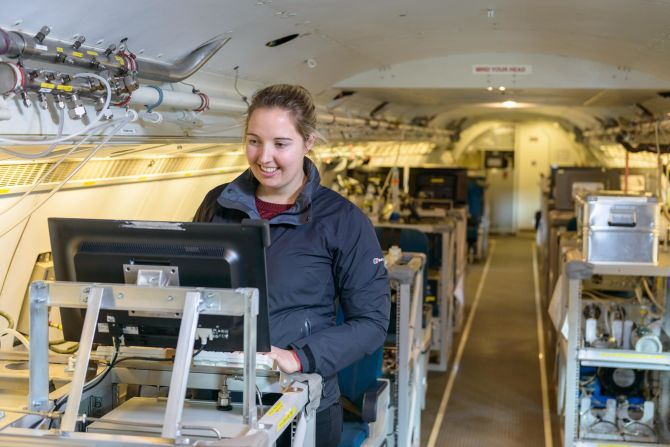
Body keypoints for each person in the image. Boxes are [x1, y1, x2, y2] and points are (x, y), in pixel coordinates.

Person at [193, 84, 390, 446]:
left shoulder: (342, 220)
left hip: (300, 401)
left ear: (308, 142)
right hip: (214, 391)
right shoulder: (216, 205)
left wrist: (299, 357)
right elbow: (194, 288)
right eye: (254, 141)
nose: (264, 157)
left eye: (280, 144)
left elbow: (372, 323)